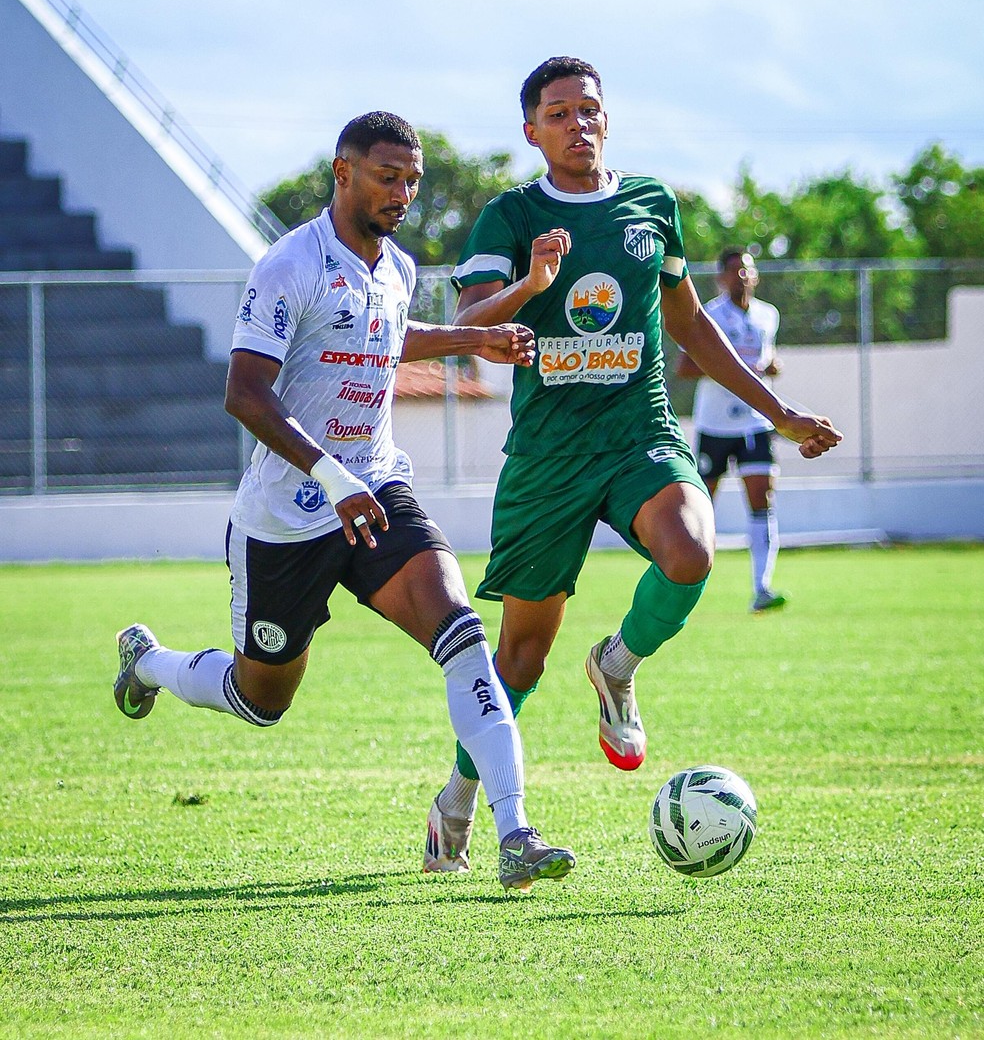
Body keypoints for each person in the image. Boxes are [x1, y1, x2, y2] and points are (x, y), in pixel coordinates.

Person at [111, 111, 575, 893]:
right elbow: (245, 392)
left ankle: (513, 829)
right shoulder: (289, 265)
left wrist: (471, 340)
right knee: (261, 699)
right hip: (288, 516)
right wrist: (330, 475)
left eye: (413, 180)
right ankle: (149, 662)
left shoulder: (396, 267)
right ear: (343, 172)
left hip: (379, 489)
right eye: (388, 176)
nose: (404, 192)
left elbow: (387, 336)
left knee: (460, 629)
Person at [422, 58, 842, 872]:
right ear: (531, 131)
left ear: (607, 119)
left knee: (691, 551)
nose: (577, 123)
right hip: (548, 453)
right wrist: (535, 281)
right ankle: (458, 801)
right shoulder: (508, 217)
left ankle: (617, 665)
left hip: (638, 430)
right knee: (521, 659)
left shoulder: (653, 206)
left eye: (589, 109)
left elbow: (690, 325)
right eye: (558, 113)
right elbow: (468, 323)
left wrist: (777, 412)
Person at [677, 247, 787, 612]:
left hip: (755, 423)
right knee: (700, 507)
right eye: (735, 271)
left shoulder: (768, 315)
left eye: (748, 270)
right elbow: (685, 368)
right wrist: (732, 369)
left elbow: (767, 359)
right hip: (716, 425)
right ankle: (684, 589)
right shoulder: (709, 315)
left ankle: (762, 587)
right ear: (721, 278)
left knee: (763, 499)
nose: (743, 276)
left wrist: (769, 367)